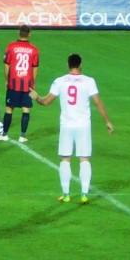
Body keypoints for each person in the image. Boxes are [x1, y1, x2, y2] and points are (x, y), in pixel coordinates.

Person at [32, 54, 114, 204]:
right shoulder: (89, 81)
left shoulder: (60, 81)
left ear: (68, 64)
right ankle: (84, 194)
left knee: (65, 159)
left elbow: (46, 102)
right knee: (84, 159)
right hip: (83, 125)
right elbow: (97, 102)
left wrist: (37, 97)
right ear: (80, 64)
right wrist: (107, 121)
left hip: (67, 125)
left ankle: (66, 194)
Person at [0, 25, 39, 143]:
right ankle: (22, 136)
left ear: (18, 33)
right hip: (27, 84)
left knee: (9, 109)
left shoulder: (11, 47)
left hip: (14, 83)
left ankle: (4, 134)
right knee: (26, 109)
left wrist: (6, 80)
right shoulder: (34, 49)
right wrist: (33, 83)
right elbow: (35, 68)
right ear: (29, 34)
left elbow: (7, 65)